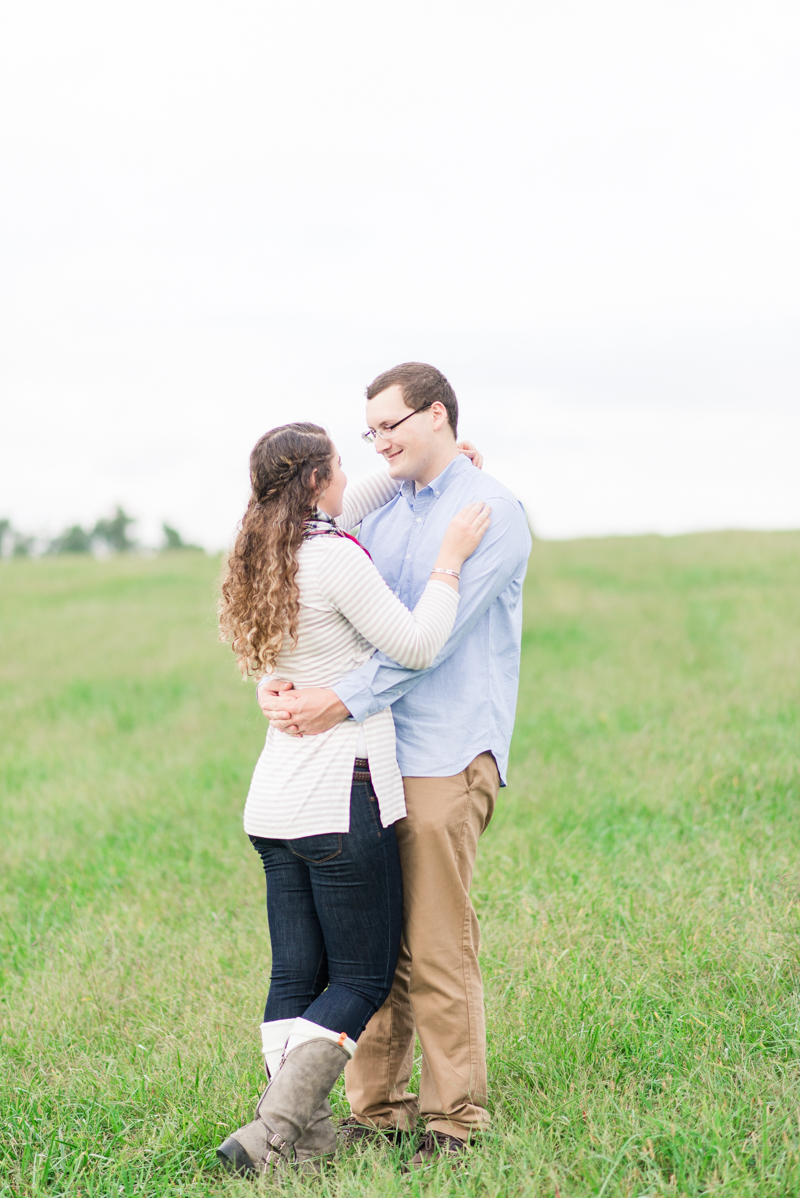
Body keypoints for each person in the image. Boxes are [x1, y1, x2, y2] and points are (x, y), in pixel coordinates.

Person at [259, 363, 532, 1168]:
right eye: (368, 431)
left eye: (391, 426)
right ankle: (376, 1108)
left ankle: (455, 1118)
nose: (377, 443)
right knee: (370, 941)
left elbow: (427, 645)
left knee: (436, 940)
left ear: (437, 414)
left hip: (446, 750)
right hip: (371, 756)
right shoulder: (381, 513)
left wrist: (337, 698)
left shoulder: (493, 512)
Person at [215, 420, 491, 1177]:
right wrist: (449, 562)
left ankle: (299, 1142)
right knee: (363, 978)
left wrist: (433, 462)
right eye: (342, 464)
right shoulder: (334, 558)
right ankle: (273, 1132)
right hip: (342, 793)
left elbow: (351, 495)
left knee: (292, 978)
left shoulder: (258, 552)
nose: (355, 476)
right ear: (315, 483)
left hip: (272, 800)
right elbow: (417, 644)